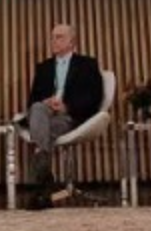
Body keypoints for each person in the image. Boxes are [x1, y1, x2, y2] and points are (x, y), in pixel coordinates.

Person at [23, 24, 104, 210]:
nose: (54, 41)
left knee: (42, 130)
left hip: (69, 116)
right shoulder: (43, 67)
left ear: (71, 41)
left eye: (59, 37)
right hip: (44, 113)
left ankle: (42, 184)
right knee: (37, 108)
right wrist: (46, 101)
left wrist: (67, 106)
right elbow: (32, 101)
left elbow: (95, 96)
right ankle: (43, 184)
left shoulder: (87, 64)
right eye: (52, 37)